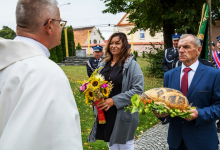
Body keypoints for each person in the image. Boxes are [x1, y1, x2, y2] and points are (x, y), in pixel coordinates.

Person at [0, 1, 83, 150]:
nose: (61, 27)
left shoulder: (5, 63)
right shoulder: (47, 74)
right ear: (49, 25)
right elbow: (61, 141)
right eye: (60, 22)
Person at [154, 34, 220, 150]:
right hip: (176, 141)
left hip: (202, 141)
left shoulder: (214, 74)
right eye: (179, 47)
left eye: (186, 47)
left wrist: (199, 114)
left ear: (198, 50)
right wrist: (162, 114)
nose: (181, 51)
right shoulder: (169, 75)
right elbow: (166, 105)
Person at [87, 32, 144, 150]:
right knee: (112, 146)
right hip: (106, 112)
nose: (113, 46)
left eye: (118, 43)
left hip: (123, 113)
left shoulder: (132, 65)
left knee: (125, 146)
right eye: (111, 43)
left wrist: (114, 100)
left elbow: (138, 90)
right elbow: (96, 84)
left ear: (124, 45)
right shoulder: (103, 64)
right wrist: (95, 98)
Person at [161, 32, 182, 125]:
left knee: (178, 96)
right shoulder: (167, 51)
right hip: (169, 78)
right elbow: (164, 64)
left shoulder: (183, 51)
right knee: (167, 97)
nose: (176, 42)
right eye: (174, 40)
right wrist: (169, 73)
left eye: (178, 40)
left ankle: (179, 114)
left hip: (180, 77)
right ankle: (167, 116)